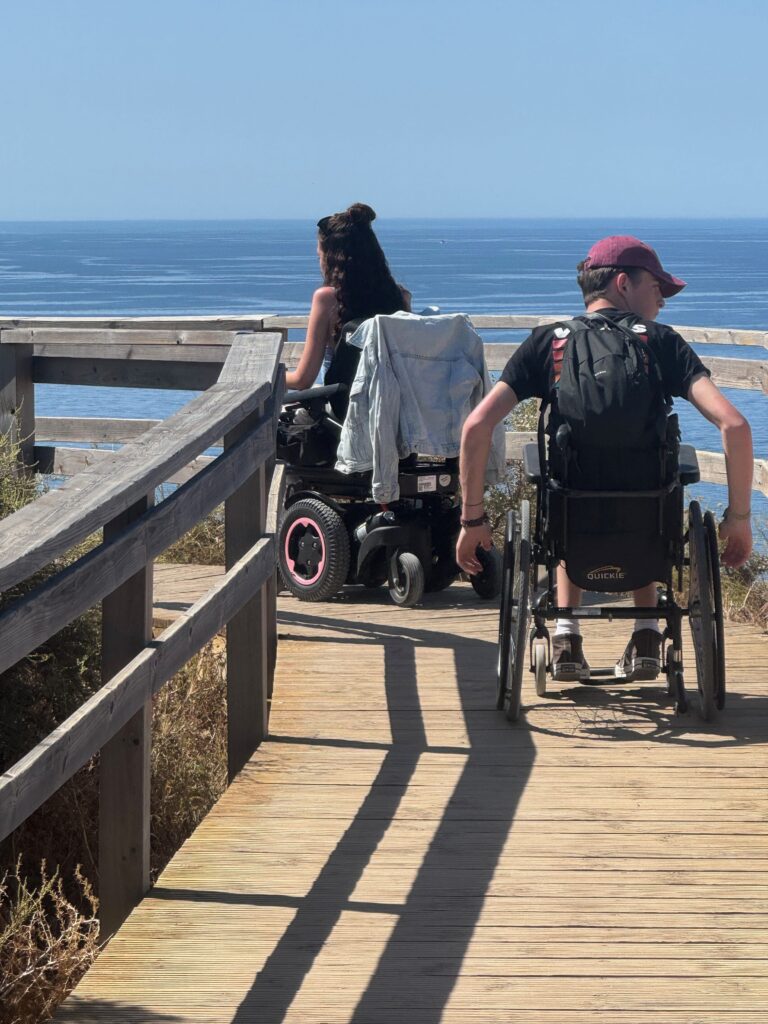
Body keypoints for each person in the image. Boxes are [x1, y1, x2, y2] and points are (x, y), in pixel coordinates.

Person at [456, 235, 754, 682]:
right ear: (622, 283)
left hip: (572, 517)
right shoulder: (662, 343)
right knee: (652, 487)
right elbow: (735, 426)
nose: (662, 302)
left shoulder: (548, 344)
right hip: (649, 515)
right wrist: (739, 516)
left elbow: (476, 427)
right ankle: (649, 631)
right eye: (657, 288)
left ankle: (565, 636)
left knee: (561, 489)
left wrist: (472, 520)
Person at [285, 203, 411, 401]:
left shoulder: (326, 299)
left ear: (331, 257)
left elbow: (302, 380)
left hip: (344, 409)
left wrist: (269, 376)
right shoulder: (401, 297)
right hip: (391, 408)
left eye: (320, 255)